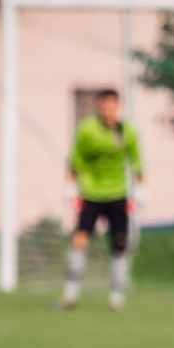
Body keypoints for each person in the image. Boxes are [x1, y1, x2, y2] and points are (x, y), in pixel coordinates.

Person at [59, 88, 143, 311]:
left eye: (112, 106)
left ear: (117, 106)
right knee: (80, 239)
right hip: (90, 193)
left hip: (117, 194)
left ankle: (117, 294)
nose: (108, 110)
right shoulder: (87, 129)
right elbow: (74, 160)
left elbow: (137, 163)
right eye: (104, 106)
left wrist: (142, 191)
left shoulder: (127, 132)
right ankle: (70, 292)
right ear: (99, 107)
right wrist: (69, 187)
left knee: (119, 243)